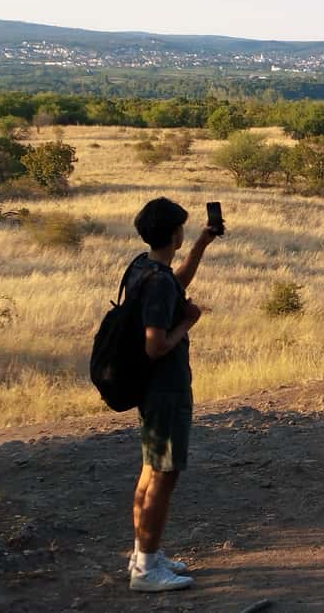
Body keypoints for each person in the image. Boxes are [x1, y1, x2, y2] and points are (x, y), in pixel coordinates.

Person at [124, 197, 220, 592]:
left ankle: (144, 553)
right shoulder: (158, 280)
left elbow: (174, 284)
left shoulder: (142, 267)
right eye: (184, 229)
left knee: (151, 468)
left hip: (151, 388)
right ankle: (146, 570)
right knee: (165, 473)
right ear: (173, 233)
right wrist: (189, 322)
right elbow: (155, 345)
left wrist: (201, 244)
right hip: (166, 387)